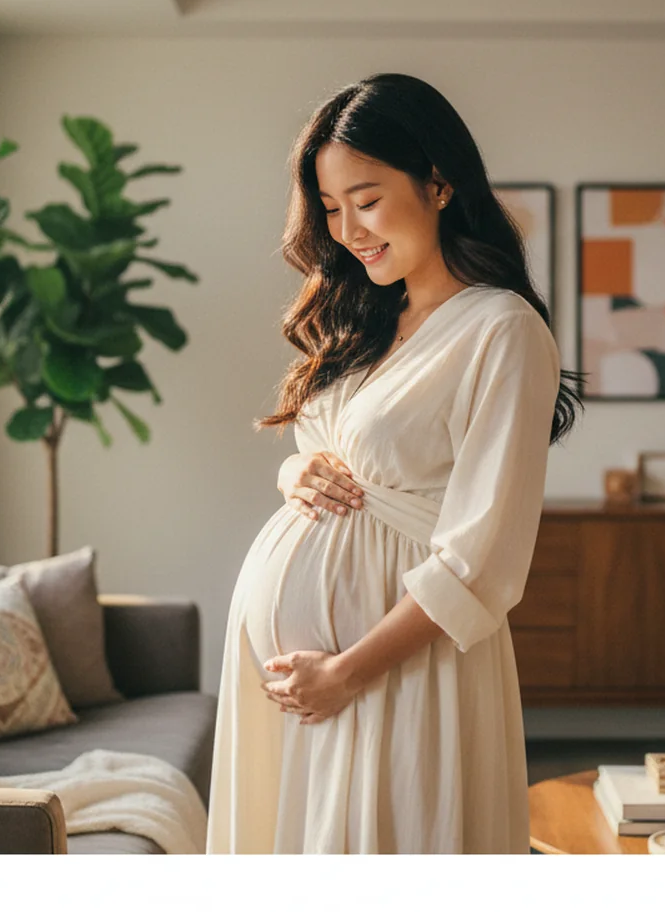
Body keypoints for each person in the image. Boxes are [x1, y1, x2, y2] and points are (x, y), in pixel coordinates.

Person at [205, 72, 583, 854]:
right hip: (308, 687)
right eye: (332, 208)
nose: (347, 230)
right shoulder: (372, 316)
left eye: (367, 199)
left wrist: (346, 671)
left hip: (398, 675)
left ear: (438, 184)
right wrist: (293, 472)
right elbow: (342, 453)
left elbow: (482, 560)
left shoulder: (502, 331)